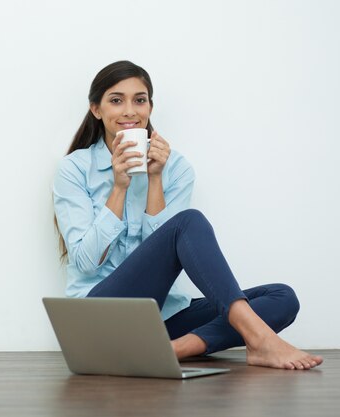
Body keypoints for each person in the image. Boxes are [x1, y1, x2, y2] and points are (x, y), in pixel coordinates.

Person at [52, 60, 323, 370]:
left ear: (150, 107)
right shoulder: (73, 169)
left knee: (282, 297)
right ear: (96, 110)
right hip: (99, 319)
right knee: (189, 222)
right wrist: (119, 187)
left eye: (139, 100)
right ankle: (259, 339)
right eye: (116, 100)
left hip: (164, 319)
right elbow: (85, 262)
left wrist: (155, 180)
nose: (130, 110)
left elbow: (168, 253)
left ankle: (173, 349)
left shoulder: (176, 169)